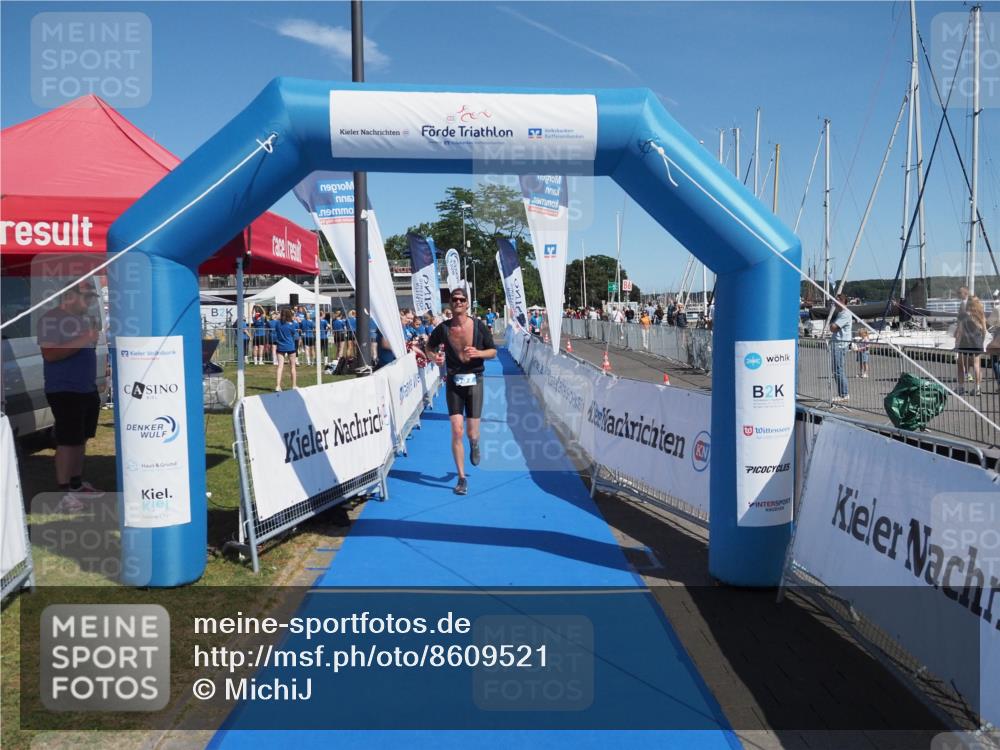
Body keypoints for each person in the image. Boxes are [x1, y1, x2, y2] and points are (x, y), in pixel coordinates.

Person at [37, 283, 105, 512]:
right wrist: (85, 339)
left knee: (81, 438)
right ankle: (64, 492)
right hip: (64, 390)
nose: (91, 301)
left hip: (86, 388)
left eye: (92, 297)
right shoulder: (52, 319)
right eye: (87, 297)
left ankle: (76, 485)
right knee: (67, 441)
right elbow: (50, 354)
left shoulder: (83, 321)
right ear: (69, 296)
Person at [425, 289, 497, 495]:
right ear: (450, 304)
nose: (458, 302)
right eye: (454, 300)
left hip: (475, 379)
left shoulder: (478, 326)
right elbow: (429, 347)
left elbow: (493, 351)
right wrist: (434, 358)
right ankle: (461, 478)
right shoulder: (444, 328)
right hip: (454, 381)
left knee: (471, 432)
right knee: (457, 430)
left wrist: (479, 352)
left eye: (461, 300)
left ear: (467, 304)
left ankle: (474, 443)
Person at [955, 295, 987, 396]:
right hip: (976, 343)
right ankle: (977, 388)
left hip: (964, 343)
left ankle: (961, 388)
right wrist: (982, 341)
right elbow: (984, 331)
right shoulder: (980, 315)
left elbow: (960, 331)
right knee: (977, 366)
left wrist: (956, 345)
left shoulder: (962, 315)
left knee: (961, 365)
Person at [829, 293, 852, 402]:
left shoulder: (845, 314)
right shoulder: (841, 313)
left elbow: (833, 328)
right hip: (838, 344)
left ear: (842, 302)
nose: (834, 303)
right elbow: (833, 328)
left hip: (840, 344)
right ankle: (843, 393)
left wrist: (832, 325)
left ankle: (844, 394)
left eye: (836, 301)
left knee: (838, 370)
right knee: (837, 369)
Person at [273, 308, 298, 391]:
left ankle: (278, 386)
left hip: (280, 346)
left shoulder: (277, 323)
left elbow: (277, 330)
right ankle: (294, 385)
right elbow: (294, 332)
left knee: (280, 367)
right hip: (290, 346)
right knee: (293, 366)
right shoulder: (291, 324)